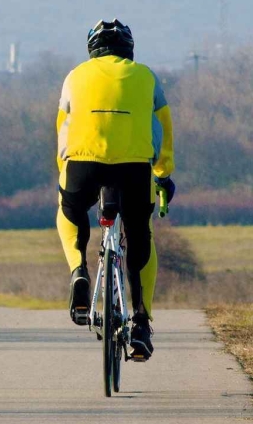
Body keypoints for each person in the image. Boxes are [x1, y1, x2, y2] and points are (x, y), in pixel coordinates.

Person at [55, 19, 175, 360]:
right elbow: (163, 130)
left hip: (82, 162)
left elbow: (62, 127)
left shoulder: (75, 76)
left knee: (69, 211)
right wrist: (163, 174)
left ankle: (79, 271)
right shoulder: (146, 77)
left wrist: (65, 170)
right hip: (133, 166)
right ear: (129, 50)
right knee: (141, 233)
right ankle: (140, 320)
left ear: (92, 50)